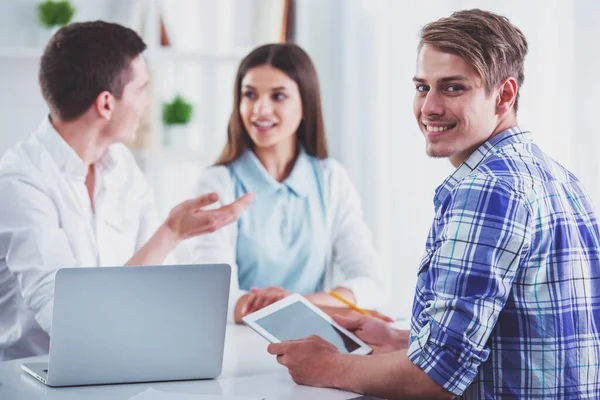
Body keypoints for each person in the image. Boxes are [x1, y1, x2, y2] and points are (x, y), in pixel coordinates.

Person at [266, 9, 600, 399]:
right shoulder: (556, 176)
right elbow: (525, 335)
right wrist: (401, 339)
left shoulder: (489, 189)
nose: (429, 108)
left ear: (505, 95)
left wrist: (330, 366)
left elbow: (435, 378)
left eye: (453, 88)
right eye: (423, 87)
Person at [0, 21, 254, 361]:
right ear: (106, 104)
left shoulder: (122, 167)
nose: (148, 103)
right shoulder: (20, 181)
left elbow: (156, 292)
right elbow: (69, 323)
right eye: (142, 89)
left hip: (118, 365)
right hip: (33, 378)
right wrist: (170, 233)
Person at [189, 43, 386, 323]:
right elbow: (213, 296)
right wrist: (326, 304)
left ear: (305, 103)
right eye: (250, 95)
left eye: (278, 96)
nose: (260, 109)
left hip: (314, 340)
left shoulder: (331, 179)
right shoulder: (217, 183)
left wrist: (298, 303)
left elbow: (371, 284)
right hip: (239, 344)